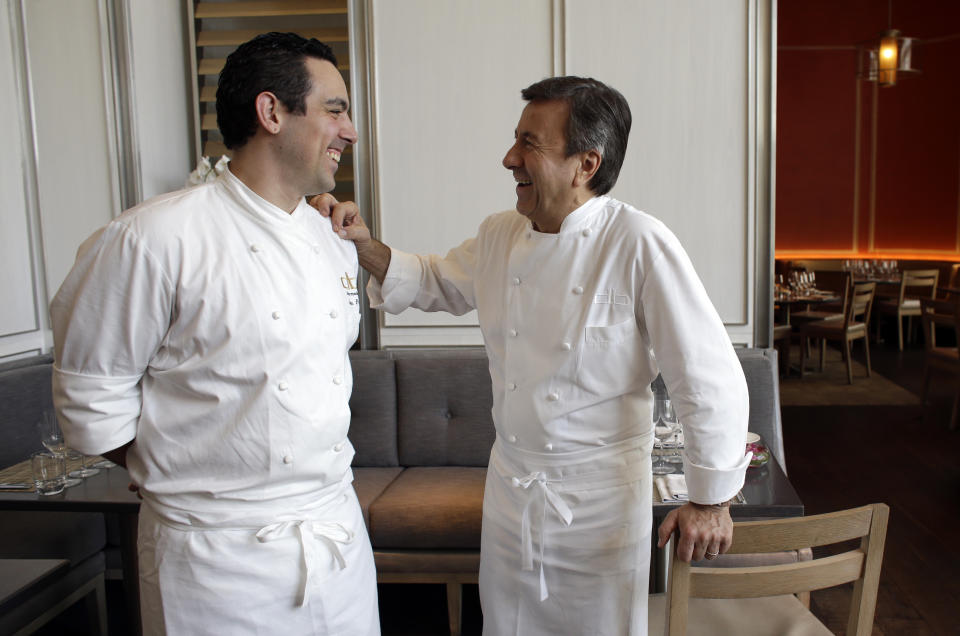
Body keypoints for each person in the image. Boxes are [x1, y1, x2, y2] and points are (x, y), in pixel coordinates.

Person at [315, 76, 751, 635]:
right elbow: (434, 280)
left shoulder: (638, 243)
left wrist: (711, 501)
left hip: (600, 508)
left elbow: (707, 373)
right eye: (514, 139)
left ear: (585, 164)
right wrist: (363, 244)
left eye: (529, 144)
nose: (509, 158)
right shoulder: (501, 234)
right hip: (511, 496)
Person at [50, 33, 378, 635]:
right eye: (335, 109)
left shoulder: (331, 239)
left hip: (336, 540)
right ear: (272, 111)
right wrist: (185, 472)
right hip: (215, 562)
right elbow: (91, 402)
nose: (350, 130)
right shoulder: (151, 239)